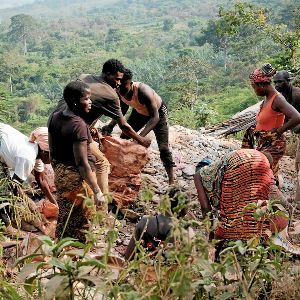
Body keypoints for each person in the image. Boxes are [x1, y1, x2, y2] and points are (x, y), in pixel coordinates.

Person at [51, 59, 151, 200]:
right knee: (101, 164)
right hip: (75, 132)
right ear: (107, 74)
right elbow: (124, 126)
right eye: (117, 79)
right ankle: (102, 205)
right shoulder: (110, 95)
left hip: (58, 124)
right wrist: (141, 139)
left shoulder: (84, 77)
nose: (119, 83)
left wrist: (91, 127)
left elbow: (93, 109)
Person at [48, 81, 105, 242]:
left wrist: (60, 172)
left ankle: (62, 248)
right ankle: (77, 255)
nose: (90, 102)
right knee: (81, 219)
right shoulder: (78, 125)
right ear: (75, 101)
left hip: (60, 173)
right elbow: (81, 163)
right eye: (86, 98)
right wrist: (96, 190)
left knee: (67, 214)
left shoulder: (55, 117)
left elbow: (52, 152)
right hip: (76, 178)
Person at [194, 149, 290, 240]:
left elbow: (205, 209)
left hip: (241, 162)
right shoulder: (219, 171)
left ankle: (217, 249)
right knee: (264, 209)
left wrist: (210, 237)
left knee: (230, 219)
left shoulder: (199, 176)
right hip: (258, 161)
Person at [102, 68, 176, 184]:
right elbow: (123, 108)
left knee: (163, 148)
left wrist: (140, 137)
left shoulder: (143, 91)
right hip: (139, 112)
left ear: (130, 84)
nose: (121, 91)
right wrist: (110, 125)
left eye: (124, 88)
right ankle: (126, 169)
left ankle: (171, 180)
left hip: (158, 113)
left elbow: (154, 117)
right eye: (119, 87)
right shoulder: (119, 89)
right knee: (124, 137)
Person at [242, 63, 300, 177]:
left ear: (262, 85)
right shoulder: (267, 99)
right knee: (269, 175)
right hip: (265, 143)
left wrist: (279, 131)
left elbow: (297, 117)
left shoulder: (278, 98)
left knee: (261, 174)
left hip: (274, 144)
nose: (254, 90)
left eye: (254, 87)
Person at [0, 123, 55, 234]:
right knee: (4, 191)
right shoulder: (28, 157)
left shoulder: (38, 155)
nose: (54, 158)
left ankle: (15, 220)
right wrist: (31, 208)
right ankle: (7, 226)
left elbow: (41, 181)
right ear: (44, 152)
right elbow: (13, 188)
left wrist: (54, 203)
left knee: (8, 188)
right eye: (52, 154)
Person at [124, 187, 188, 261]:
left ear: (164, 202)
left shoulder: (145, 221)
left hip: (139, 269)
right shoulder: (180, 231)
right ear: (183, 208)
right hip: (162, 272)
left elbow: (128, 256)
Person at [274, 71, 300, 203]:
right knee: (297, 166)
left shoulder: (297, 95)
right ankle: (297, 200)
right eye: (275, 82)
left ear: (288, 81)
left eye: (280, 82)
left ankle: (298, 203)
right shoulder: (283, 96)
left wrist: (280, 130)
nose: (277, 85)